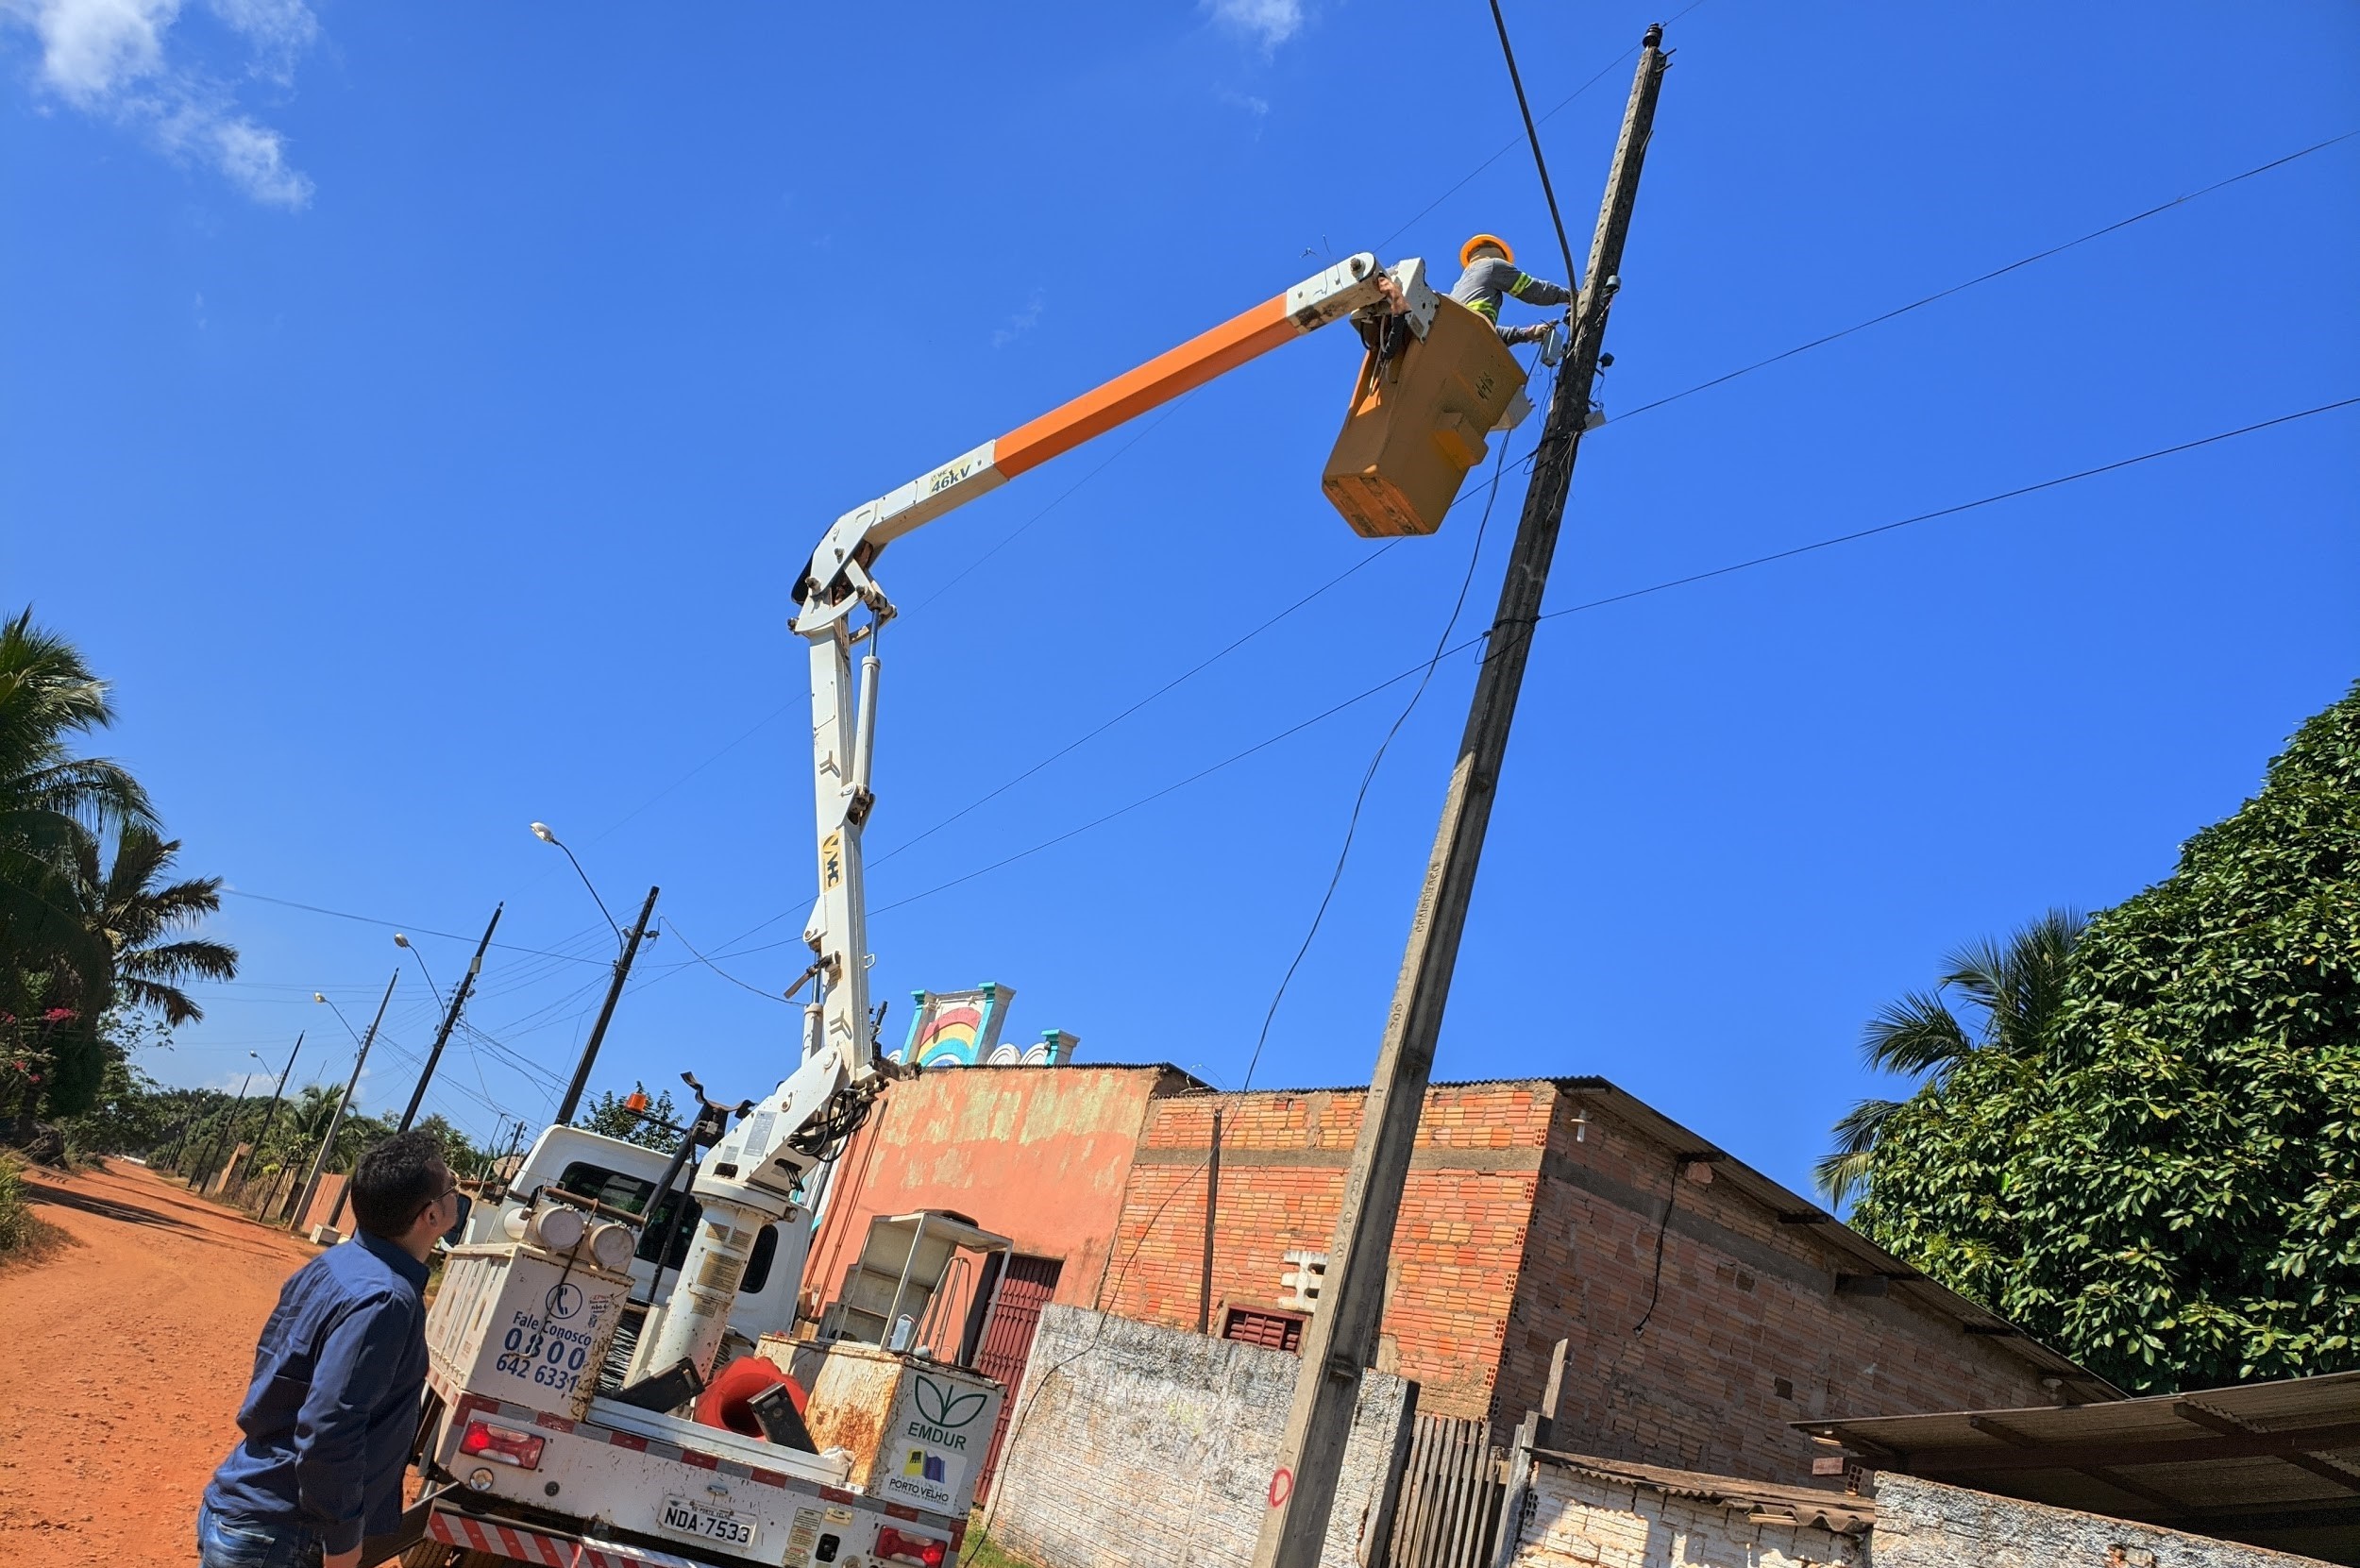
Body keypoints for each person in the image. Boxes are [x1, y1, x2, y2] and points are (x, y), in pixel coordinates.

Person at [198, 1131, 459, 1568]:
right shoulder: (386, 1300)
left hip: (251, 1512)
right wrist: (341, 1543)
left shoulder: (335, 1265)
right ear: (430, 1216)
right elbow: (330, 1425)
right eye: (452, 1188)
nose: (460, 1190)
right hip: (284, 1535)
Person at [1449, 232, 1572, 346]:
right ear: (1498, 252)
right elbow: (1533, 291)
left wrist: (1528, 333)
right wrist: (1570, 296)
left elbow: (1486, 332)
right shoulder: (1493, 265)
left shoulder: (1457, 288)